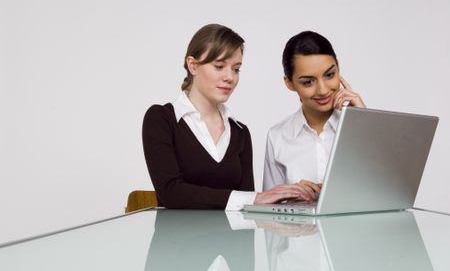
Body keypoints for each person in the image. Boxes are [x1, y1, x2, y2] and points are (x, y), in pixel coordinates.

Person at [143, 24, 303, 210]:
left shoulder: (240, 132)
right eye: (219, 66)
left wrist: (292, 196)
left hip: (231, 239)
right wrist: (250, 198)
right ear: (192, 65)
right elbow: (170, 193)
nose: (230, 77)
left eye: (236, 69)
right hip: (176, 238)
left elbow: (247, 210)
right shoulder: (162, 119)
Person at [263, 31, 366, 200]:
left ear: (338, 68)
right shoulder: (277, 136)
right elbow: (268, 210)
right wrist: (290, 196)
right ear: (289, 83)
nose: (323, 90)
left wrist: (364, 120)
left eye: (330, 75)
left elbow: (392, 193)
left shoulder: (361, 128)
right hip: (299, 227)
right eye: (308, 82)